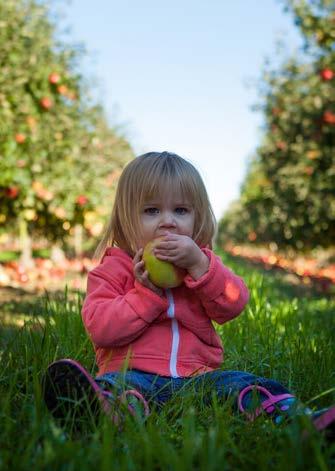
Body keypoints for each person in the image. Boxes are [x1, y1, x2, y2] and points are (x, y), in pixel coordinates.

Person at [42, 151, 335, 436]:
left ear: (197, 217)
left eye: (180, 210)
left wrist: (200, 267)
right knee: (120, 388)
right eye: (151, 210)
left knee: (246, 384)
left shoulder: (202, 264)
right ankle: (105, 411)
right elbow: (102, 330)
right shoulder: (113, 270)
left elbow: (233, 305)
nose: (168, 221)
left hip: (198, 378)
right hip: (133, 373)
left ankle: (297, 420)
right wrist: (145, 294)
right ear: (126, 218)